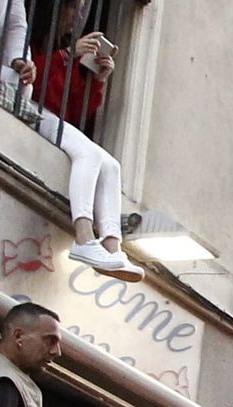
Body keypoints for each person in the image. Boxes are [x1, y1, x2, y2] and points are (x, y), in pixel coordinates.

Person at [32, 7, 143, 281]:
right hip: (32, 109)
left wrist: (98, 79)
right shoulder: (38, 42)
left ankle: (112, 246)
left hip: (54, 118)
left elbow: (75, 109)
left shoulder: (65, 53)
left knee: (112, 165)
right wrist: (67, 55)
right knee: (89, 155)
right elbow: (35, 80)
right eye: (73, 7)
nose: (77, 16)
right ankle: (83, 236)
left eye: (81, 9)